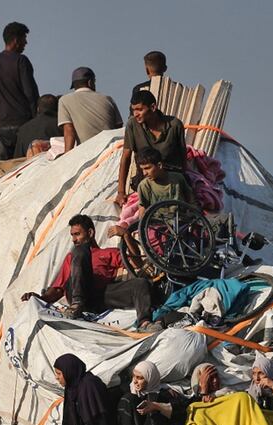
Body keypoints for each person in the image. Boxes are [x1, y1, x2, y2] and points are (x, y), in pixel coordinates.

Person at [20, 214, 159, 330]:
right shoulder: (72, 257)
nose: (74, 239)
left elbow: (137, 263)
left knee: (141, 284)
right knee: (80, 251)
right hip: (76, 294)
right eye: (72, 235)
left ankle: (144, 324)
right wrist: (39, 298)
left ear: (90, 233)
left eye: (77, 234)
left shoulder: (108, 253)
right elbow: (58, 289)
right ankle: (76, 305)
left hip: (100, 297)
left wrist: (126, 235)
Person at [114, 90, 187, 207]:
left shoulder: (175, 125)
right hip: (145, 179)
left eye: (140, 109)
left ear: (153, 107)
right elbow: (126, 157)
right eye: (134, 110)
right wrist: (121, 192)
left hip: (171, 179)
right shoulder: (132, 125)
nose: (136, 114)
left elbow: (183, 155)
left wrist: (184, 181)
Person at [0, 21, 39, 160]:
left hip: (3, 125)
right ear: (16, 40)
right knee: (25, 165)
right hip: (23, 123)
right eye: (24, 39)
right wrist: (36, 119)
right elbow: (31, 95)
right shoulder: (21, 61)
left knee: (7, 167)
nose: (26, 43)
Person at [117, 360, 186, 425]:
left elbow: (180, 410)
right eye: (134, 376)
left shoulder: (162, 394)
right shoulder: (128, 394)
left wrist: (156, 406)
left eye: (140, 378)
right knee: (127, 399)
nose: (135, 381)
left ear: (150, 378)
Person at [57, 66, 122, 152]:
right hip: (112, 149)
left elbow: (69, 131)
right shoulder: (107, 99)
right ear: (90, 82)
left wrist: (66, 157)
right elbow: (118, 127)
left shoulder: (64, 100)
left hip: (87, 151)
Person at [14, 93, 63, 158]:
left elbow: (18, 158)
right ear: (58, 108)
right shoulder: (62, 125)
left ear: (38, 109)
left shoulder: (23, 129)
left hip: (33, 166)